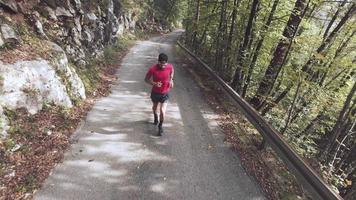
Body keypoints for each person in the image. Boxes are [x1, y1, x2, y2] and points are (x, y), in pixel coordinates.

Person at [145, 53, 174, 136]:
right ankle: (155, 117)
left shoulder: (170, 67)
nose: (163, 66)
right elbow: (146, 79)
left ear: (167, 62)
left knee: (162, 110)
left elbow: (172, 72)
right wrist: (154, 83)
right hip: (155, 93)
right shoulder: (153, 69)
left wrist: (171, 80)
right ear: (158, 62)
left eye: (164, 64)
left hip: (165, 93)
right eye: (161, 64)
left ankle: (160, 126)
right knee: (155, 107)